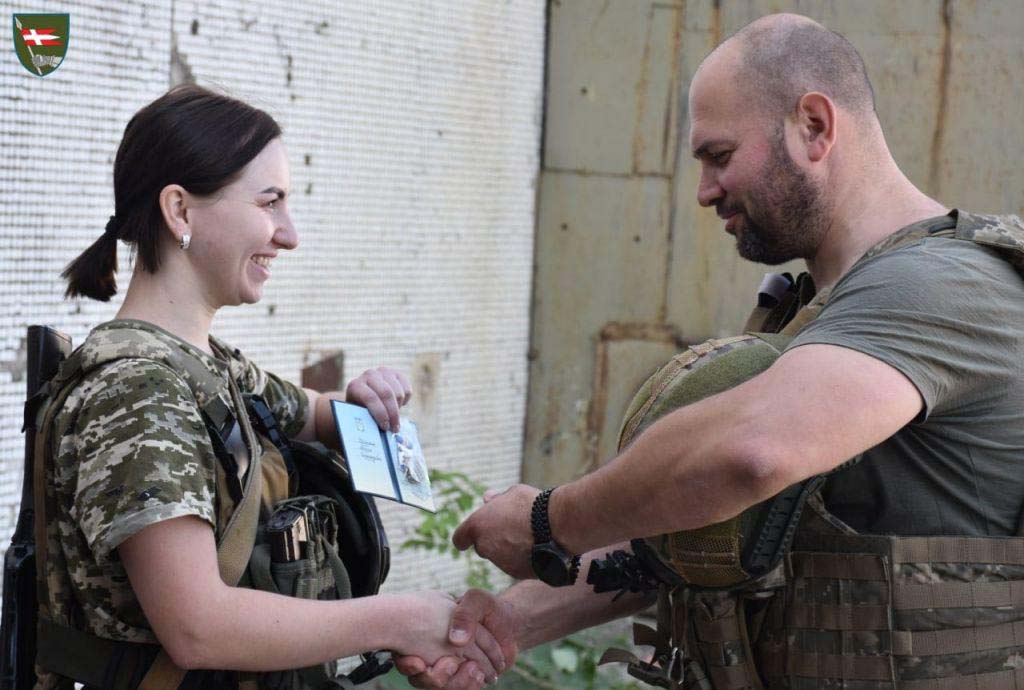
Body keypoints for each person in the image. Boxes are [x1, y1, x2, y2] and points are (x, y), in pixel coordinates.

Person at [397, 12, 1024, 690]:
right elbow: (697, 528)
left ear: (815, 126)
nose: (703, 191)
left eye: (719, 156)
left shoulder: (936, 287)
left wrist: (550, 521)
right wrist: (508, 624)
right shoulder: (822, 306)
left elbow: (749, 454)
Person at [41, 84, 508, 689]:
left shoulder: (207, 366)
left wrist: (368, 398)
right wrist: (401, 620)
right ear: (180, 211)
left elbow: (312, 414)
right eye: (270, 203)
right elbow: (198, 626)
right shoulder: (139, 392)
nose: (289, 235)